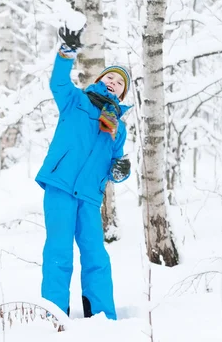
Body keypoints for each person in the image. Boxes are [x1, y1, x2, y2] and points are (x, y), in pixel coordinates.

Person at [35, 26, 132, 320]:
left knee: (96, 257)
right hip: (61, 186)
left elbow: (114, 164)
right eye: (110, 77)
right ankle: (54, 315)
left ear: (123, 92)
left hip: (90, 196)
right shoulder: (75, 101)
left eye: (120, 83)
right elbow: (57, 84)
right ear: (99, 80)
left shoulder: (118, 127)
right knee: (59, 253)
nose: (113, 83)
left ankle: (103, 317)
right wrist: (67, 54)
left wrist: (120, 171)